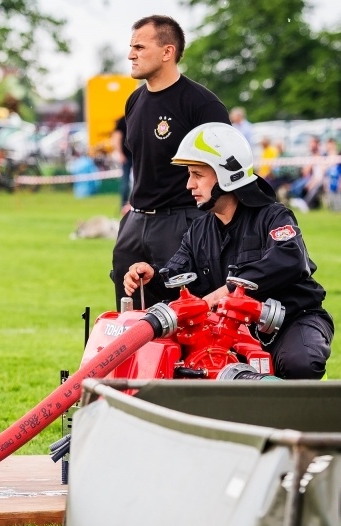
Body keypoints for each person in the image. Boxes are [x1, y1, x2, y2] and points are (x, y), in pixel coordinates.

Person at [123, 122, 333, 379]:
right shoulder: (198, 230)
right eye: (190, 175)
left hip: (293, 320)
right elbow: (178, 278)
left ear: (227, 174)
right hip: (228, 331)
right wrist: (150, 276)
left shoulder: (274, 217)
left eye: (197, 175)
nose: (189, 185)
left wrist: (230, 289)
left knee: (299, 363)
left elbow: (290, 258)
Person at [111, 14, 231, 310]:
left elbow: (225, 169)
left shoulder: (201, 104)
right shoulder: (134, 101)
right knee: (130, 319)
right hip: (135, 222)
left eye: (139, 47)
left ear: (168, 52)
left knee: (185, 317)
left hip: (183, 223)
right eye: (131, 47)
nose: (130, 55)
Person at [112, 115, 133, 215]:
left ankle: (126, 206)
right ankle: (124, 207)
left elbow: (116, 137)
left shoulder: (123, 119)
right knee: (126, 182)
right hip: (129, 156)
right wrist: (120, 154)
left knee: (126, 181)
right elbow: (117, 137)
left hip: (135, 156)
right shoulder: (124, 120)